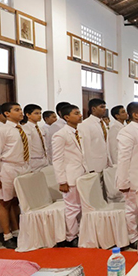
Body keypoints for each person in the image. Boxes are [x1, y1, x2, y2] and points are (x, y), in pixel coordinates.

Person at [0, 102, 29, 249]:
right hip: (7, 167)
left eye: (21, 109)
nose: (21, 112)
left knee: (16, 200)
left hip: (22, 167)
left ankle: (17, 230)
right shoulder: (2, 131)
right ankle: (7, 235)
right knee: (5, 202)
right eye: (17, 110)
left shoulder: (21, 129)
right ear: (7, 113)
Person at [116, 102, 138, 250]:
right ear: (135, 115)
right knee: (132, 210)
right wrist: (123, 182)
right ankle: (133, 238)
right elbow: (123, 159)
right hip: (133, 179)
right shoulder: (127, 132)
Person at [52, 104, 87, 248]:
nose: (80, 115)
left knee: (81, 207)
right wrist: (62, 181)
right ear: (67, 117)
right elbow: (57, 159)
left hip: (81, 174)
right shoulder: (60, 135)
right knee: (72, 208)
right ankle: (71, 236)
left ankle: (80, 232)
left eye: (79, 112)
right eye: (76, 113)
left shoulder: (78, 132)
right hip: (69, 176)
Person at [78, 98, 111, 173]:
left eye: (105, 107)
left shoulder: (103, 123)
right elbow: (85, 147)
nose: (104, 109)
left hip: (105, 162)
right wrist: (89, 167)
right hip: (94, 164)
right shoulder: (85, 124)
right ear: (93, 109)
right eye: (102, 107)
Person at [23, 104, 48, 171]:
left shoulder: (41, 129)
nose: (39, 115)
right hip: (33, 160)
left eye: (40, 113)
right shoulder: (25, 128)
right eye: (36, 113)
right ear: (28, 115)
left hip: (44, 159)